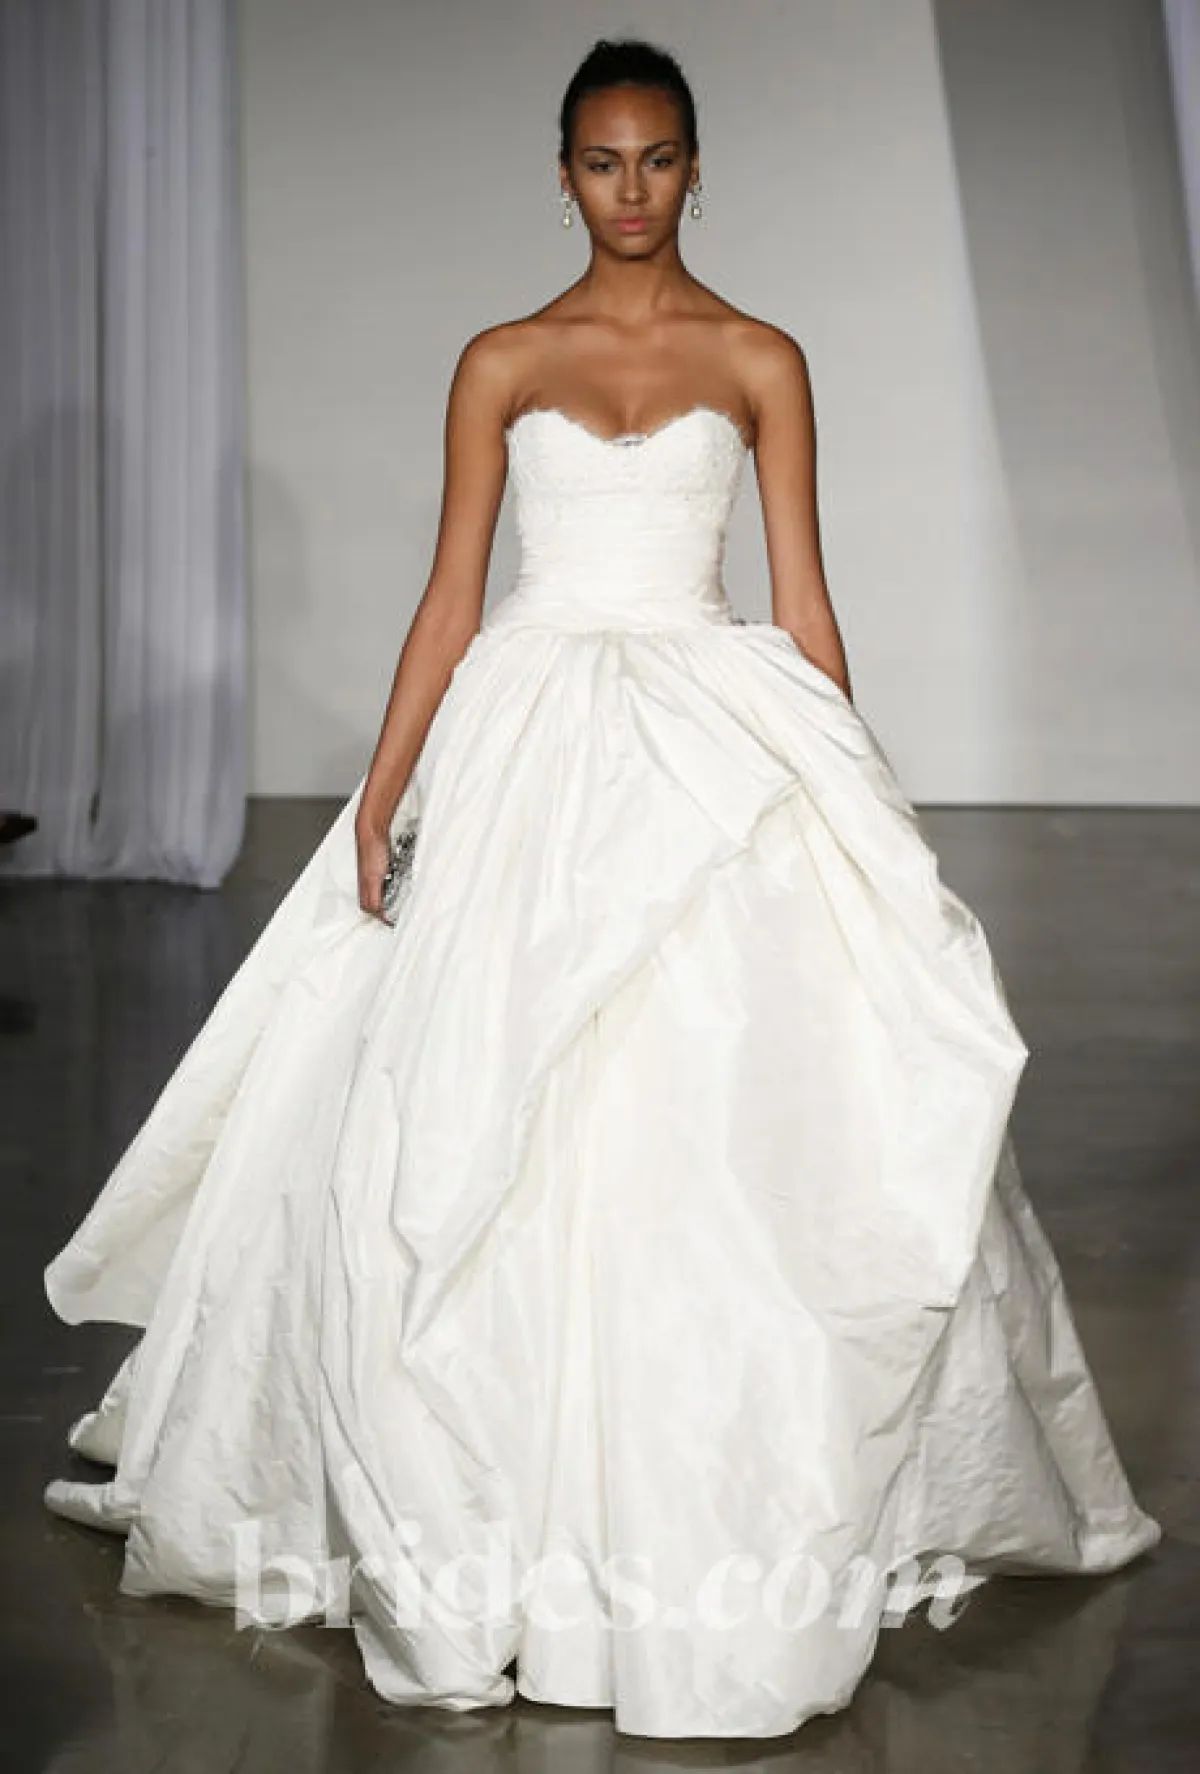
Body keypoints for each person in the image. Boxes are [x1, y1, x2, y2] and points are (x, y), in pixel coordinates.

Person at [43, 37, 1159, 1743]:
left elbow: (803, 598)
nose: (629, 190)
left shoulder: (763, 357)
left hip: (705, 729)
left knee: (710, 1104)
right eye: (600, 160)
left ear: (698, 167)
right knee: (470, 1103)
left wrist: (856, 793)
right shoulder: (499, 359)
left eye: (655, 159)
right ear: (560, 171)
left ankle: (676, 1497)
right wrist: (386, 786)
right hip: (528, 735)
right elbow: (450, 592)